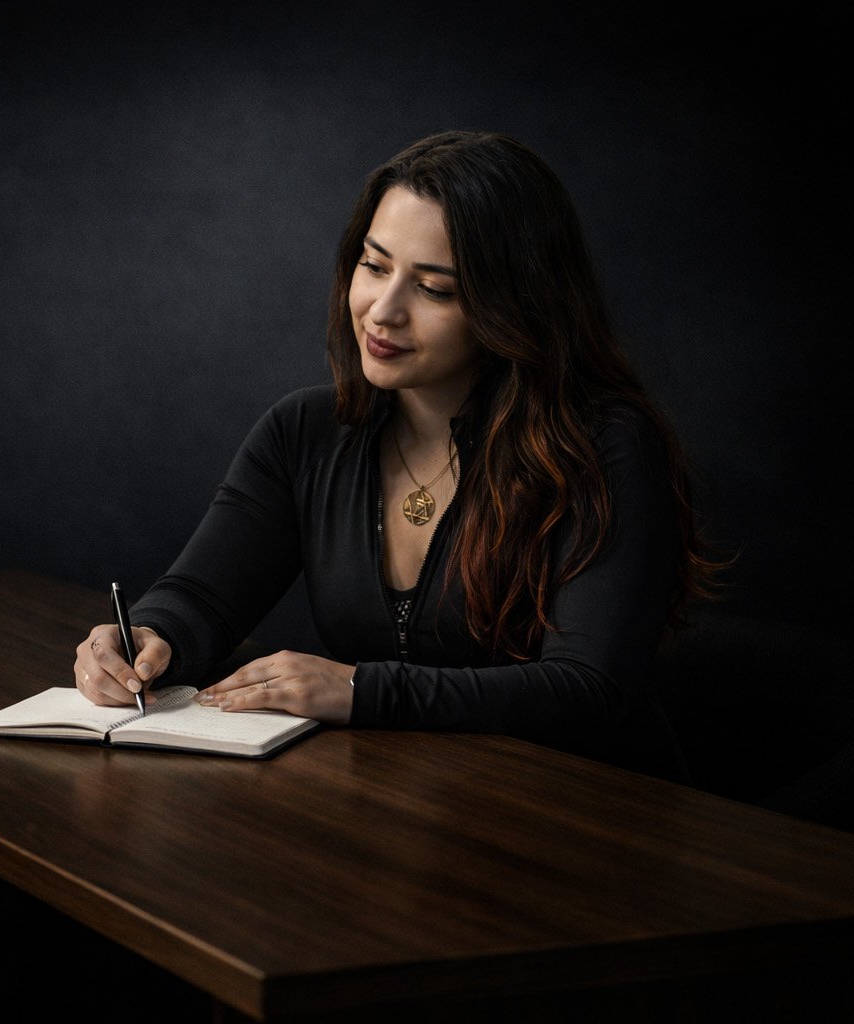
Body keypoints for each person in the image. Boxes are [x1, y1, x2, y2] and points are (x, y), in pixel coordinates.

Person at [73, 130, 725, 779]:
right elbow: (202, 598)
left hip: (590, 820)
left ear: (512, 305)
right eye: (374, 265)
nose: (383, 312)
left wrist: (358, 691)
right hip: (417, 807)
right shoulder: (305, 432)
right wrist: (150, 638)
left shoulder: (601, 444)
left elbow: (588, 692)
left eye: (435, 289)